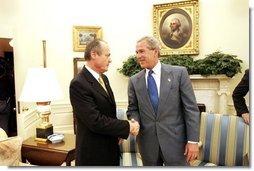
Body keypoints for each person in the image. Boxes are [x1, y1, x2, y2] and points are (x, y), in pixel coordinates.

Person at [127, 36, 200, 166]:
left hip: (176, 144)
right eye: (136, 52)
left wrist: (193, 141)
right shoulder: (134, 80)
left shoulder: (179, 74)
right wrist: (134, 121)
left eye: (142, 51)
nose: (138, 56)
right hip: (148, 145)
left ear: (155, 51)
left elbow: (191, 110)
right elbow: (133, 109)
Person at [69, 39, 139, 166]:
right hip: (93, 154)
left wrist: (117, 132)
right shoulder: (78, 84)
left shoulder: (104, 78)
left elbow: (108, 113)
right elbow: (95, 121)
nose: (110, 60)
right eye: (107, 55)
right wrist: (127, 126)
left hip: (110, 149)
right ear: (94, 54)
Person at [0, 57, 14, 135]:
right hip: (5, 102)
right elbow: (12, 90)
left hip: (3, 102)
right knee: (4, 125)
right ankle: (3, 143)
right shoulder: (8, 77)